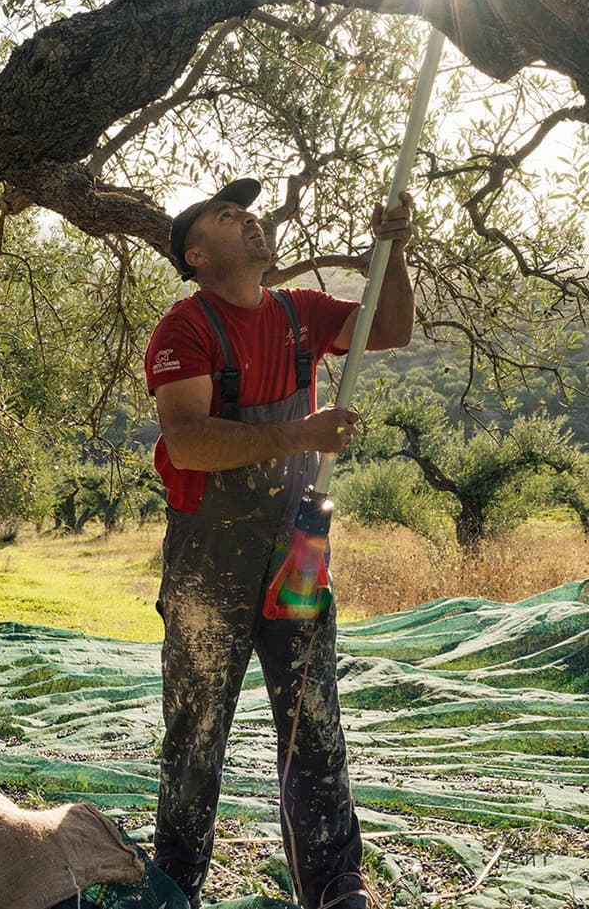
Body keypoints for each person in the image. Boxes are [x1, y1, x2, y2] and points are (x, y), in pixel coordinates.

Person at [144, 178, 414, 909]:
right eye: (226, 214)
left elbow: (389, 329)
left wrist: (393, 253)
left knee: (314, 721)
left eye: (248, 209)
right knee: (197, 731)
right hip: (212, 560)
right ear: (197, 254)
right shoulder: (184, 329)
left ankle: (333, 886)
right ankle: (176, 885)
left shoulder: (301, 312)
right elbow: (188, 442)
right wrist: (301, 433)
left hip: (300, 547)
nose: (248, 217)